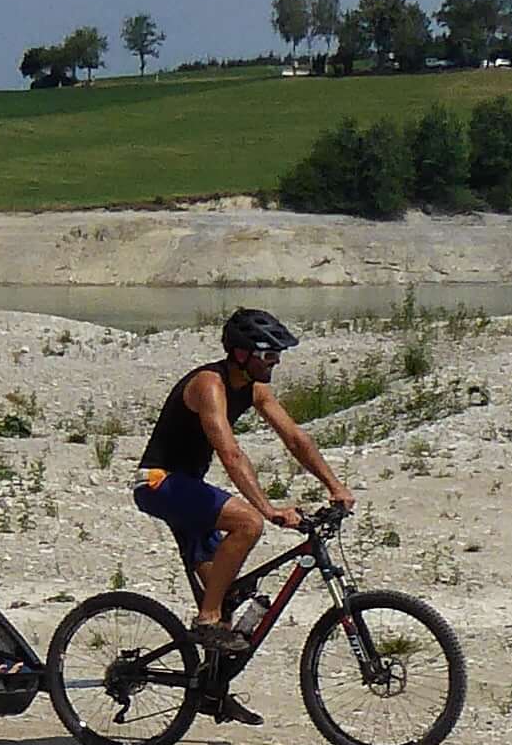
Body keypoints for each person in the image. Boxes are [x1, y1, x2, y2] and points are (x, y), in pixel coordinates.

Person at [131, 306, 351, 723]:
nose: (276, 362)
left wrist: (334, 486)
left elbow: (295, 437)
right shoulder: (209, 385)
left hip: (187, 489)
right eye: (269, 355)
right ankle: (206, 617)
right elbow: (230, 452)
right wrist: (266, 509)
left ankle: (210, 690)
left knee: (226, 587)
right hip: (159, 483)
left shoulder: (252, 388)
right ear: (240, 354)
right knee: (246, 523)